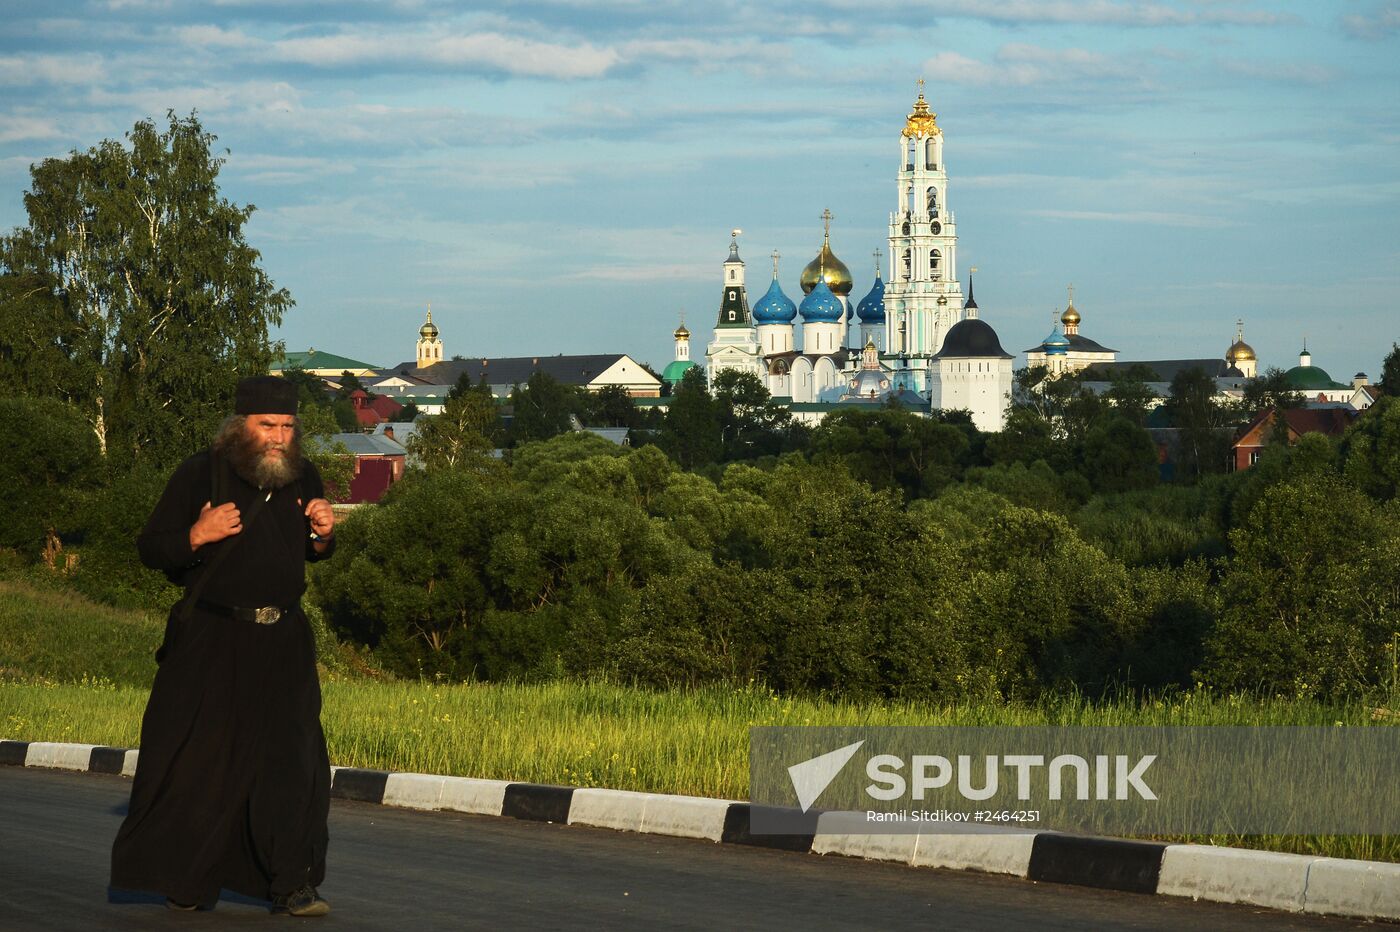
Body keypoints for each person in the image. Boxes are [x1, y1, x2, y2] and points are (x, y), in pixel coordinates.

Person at [110, 376, 337, 917]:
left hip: (284, 640)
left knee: (294, 762)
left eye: (287, 426)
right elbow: (151, 549)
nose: (279, 437)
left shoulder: (303, 475)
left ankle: (292, 883)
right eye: (267, 426)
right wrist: (197, 534)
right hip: (215, 639)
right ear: (240, 427)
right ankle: (188, 878)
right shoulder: (199, 474)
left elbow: (310, 550)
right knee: (201, 764)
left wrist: (324, 535)